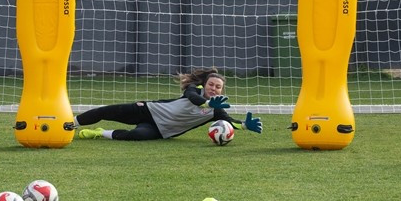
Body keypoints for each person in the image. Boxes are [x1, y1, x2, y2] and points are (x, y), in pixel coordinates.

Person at [75, 67, 263, 141]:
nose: (214, 88)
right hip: (148, 111)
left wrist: (245, 125)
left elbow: (230, 122)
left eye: (218, 87)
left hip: (161, 130)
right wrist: (207, 103)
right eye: (211, 85)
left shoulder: (217, 110)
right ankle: (71, 123)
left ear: (222, 91)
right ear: (204, 84)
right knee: (108, 111)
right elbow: (193, 98)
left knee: (136, 136)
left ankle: (99, 133)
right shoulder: (194, 89)